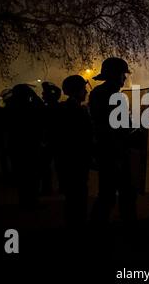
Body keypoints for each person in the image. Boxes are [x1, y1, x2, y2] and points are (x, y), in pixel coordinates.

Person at [89, 57, 138, 224]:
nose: (124, 78)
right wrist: (138, 124)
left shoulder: (99, 93)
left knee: (109, 193)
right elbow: (121, 125)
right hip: (114, 150)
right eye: (122, 74)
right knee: (120, 193)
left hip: (108, 149)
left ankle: (98, 226)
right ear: (115, 75)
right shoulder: (113, 96)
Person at [54, 75, 92, 228]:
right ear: (77, 91)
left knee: (72, 198)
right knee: (77, 198)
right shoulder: (75, 110)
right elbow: (83, 138)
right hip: (76, 163)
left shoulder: (65, 108)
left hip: (67, 162)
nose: (86, 92)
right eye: (84, 89)